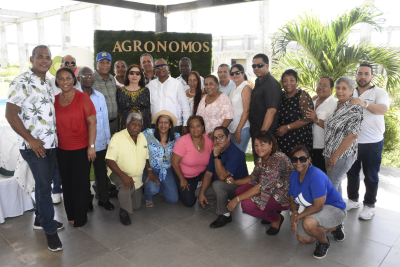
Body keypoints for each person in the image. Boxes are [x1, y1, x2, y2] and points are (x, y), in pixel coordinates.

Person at [6, 45, 63, 252]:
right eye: (40, 57)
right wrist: (31, 140)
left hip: (50, 145)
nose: (44, 60)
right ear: (32, 58)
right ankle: (50, 231)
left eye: (48, 57)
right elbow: (10, 114)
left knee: (44, 183)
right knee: (43, 187)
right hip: (33, 146)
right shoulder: (21, 82)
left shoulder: (47, 83)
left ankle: (40, 219)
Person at [227, 131, 293, 235]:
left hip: (284, 195)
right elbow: (254, 177)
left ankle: (276, 219)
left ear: (271, 144)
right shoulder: (261, 158)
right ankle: (269, 211)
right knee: (239, 190)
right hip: (269, 189)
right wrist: (235, 181)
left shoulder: (277, 159)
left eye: (263, 144)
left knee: (247, 205)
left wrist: (236, 200)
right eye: (256, 145)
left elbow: (260, 187)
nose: (259, 148)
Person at [54, 67, 97, 228]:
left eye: (68, 78)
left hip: (81, 149)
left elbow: (92, 123)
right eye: (61, 78)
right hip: (62, 150)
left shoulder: (82, 97)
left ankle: (80, 217)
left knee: (80, 184)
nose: (65, 81)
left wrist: (91, 147)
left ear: (74, 80)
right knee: (67, 183)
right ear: (57, 82)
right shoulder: (54, 100)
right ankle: (70, 214)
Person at [347, 64, 389, 220]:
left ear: (372, 76)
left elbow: (382, 110)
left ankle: (369, 206)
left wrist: (364, 103)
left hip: (372, 143)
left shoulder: (379, 92)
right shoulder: (351, 91)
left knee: (371, 176)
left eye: (366, 74)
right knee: (352, 173)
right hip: (352, 141)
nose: (362, 77)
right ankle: (352, 200)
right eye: (359, 73)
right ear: (356, 75)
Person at [288, 145, 347, 260]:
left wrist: (297, 218)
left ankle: (324, 242)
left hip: (334, 207)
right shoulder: (293, 175)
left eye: (303, 159)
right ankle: (335, 228)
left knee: (308, 224)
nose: (298, 162)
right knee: (303, 238)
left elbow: (318, 206)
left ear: (309, 160)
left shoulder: (316, 175)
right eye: (294, 159)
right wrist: (294, 212)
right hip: (316, 208)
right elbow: (291, 199)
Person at [106, 112, 157, 225]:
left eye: (139, 125)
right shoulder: (118, 137)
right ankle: (123, 212)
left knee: (136, 206)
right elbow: (109, 160)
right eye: (133, 124)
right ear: (127, 124)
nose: (136, 127)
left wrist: (149, 170)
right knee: (126, 187)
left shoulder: (142, 137)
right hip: (119, 172)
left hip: (136, 178)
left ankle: (118, 192)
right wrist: (124, 176)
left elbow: (146, 157)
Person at [195, 126, 248, 228]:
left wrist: (217, 155)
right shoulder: (216, 151)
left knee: (218, 184)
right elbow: (208, 173)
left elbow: (222, 176)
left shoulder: (236, 153)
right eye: (215, 138)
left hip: (238, 187)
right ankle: (224, 200)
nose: (218, 140)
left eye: (221, 137)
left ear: (228, 137)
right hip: (226, 186)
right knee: (198, 193)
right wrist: (202, 193)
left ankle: (225, 214)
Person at [77, 67, 114, 211]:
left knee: (101, 172)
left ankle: (104, 199)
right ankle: (86, 201)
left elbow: (104, 121)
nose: (87, 78)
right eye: (84, 75)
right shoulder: (75, 96)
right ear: (78, 78)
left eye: (90, 75)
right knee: (84, 174)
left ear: (94, 78)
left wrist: (107, 141)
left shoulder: (100, 96)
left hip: (99, 143)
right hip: (82, 144)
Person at [323, 76, 363, 194]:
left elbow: (353, 135)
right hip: (329, 153)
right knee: (336, 186)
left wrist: (335, 156)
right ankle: (340, 212)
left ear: (351, 91)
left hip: (342, 156)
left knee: (330, 189)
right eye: (338, 88)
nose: (340, 91)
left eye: (344, 88)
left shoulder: (354, 108)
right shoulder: (337, 105)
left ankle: (330, 212)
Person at [49, 54, 80, 204]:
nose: (69, 64)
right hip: (55, 133)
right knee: (57, 164)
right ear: (60, 65)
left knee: (74, 170)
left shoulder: (78, 86)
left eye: (72, 63)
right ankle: (56, 189)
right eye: (66, 62)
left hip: (75, 136)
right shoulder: (51, 85)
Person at [171, 116, 214, 207]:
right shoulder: (182, 141)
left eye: (198, 126)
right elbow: (174, 162)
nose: (195, 129)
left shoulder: (209, 141)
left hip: (202, 173)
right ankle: (177, 185)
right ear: (189, 128)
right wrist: (182, 179)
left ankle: (200, 188)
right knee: (189, 202)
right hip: (185, 176)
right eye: (192, 126)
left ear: (202, 127)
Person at [142, 110, 180, 207]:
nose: (163, 125)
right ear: (157, 124)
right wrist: (119, 135)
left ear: (170, 125)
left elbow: (189, 141)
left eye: (166, 122)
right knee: (152, 189)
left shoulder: (176, 137)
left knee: (173, 199)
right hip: (150, 169)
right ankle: (148, 196)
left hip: (167, 170)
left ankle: (160, 186)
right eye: (160, 122)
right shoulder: (148, 134)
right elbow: (134, 135)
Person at [248, 53, 282, 160]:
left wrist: (262, 135)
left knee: (267, 165)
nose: (256, 68)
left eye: (260, 65)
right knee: (259, 164)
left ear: (267, 66)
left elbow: (271, 111)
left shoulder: (271, 84)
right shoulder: (259, 82)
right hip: (256, 131)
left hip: (266, 134)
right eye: (254, 66)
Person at [147, 58, 190, 135]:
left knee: (175, 147)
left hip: (175, 125)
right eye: (157, 67)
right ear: (155, 70)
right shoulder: (150, 85)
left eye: (163, 66)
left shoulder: (177, 84)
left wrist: (185, 125)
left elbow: (185, 106)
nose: (160, 68)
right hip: (156, 125)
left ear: (168, 67)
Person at [276, 69, 313, 157]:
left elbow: (308, 119)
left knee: (298, 165)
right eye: (285, 81)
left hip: (299, 139)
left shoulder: (302, 95)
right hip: (282, 139)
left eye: (291, 80)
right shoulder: (281, 96)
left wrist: (287, 127)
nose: (288, 83)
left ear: (297, 82)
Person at [305, 77, 337, 173]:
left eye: (325, 85)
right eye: (319, 84)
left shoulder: (334, 103)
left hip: (322, 148)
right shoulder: (312, 101)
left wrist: (316, 119)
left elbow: (334, 127)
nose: (321, 87)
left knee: (322, 178)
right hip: (309, 146)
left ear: (331, 89)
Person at [196, 75, 234, 139]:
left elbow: (229, 118)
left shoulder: (223, 97)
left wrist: (216, 133)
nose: (208, 87)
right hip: (204, 137)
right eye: (206, 84)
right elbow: (198, 116)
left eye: (211, 84)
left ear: (217, 84)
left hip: (218, 138)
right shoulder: (204, 98)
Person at [117, 64, 151, 131]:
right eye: (132, 73)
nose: (134, 75)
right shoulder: (120, 91)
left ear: (141, 76)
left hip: (143, 127)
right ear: (128, 75)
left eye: (137, 73)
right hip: (126, 128)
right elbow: (118, 112)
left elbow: (149, 111)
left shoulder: (146, 91)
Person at [92, 51, 118, 135]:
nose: (105, 65)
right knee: (101, 148)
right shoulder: (91, 79)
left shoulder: (112, 79)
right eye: (102, 62)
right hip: (99, 124)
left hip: (114, 123)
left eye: (108, 62)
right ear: (96, 64)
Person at [228, 64, 251, 153]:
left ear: (243, 73)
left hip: (242, 128)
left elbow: (246, 111)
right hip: (232, 128)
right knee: (233, 157)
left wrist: (238, 130)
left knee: (239, 157)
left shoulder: (246, 87)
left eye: (237, 73)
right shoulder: (234, 87)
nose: (234, 75)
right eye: (232, 73)